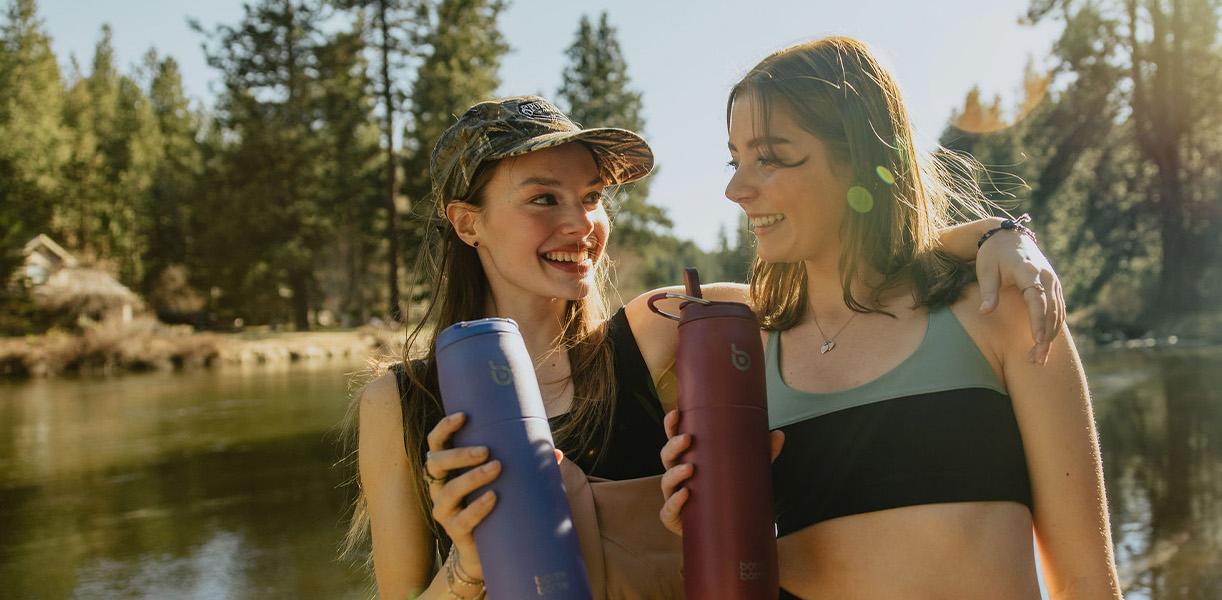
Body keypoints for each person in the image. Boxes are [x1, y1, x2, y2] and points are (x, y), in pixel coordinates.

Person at [344, 94, 1069, 599]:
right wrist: (467, 569)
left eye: (592, 197)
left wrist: (1001, 236)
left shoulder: (657, 333)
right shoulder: (403, 403)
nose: (581, 224)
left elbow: (851, 277)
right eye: (544, 199)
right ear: (467, 223)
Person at [658, 37, 1122, 599]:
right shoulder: (744, 355)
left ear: (860, 159)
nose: (736, 189)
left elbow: (1085, 582)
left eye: (771, 157)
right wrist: (715, 534)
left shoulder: (999, 309)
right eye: (735, 161)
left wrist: (1003, 233)